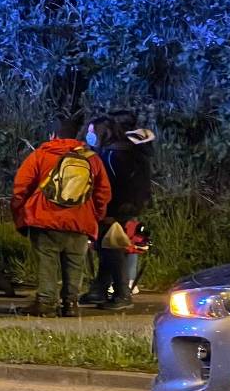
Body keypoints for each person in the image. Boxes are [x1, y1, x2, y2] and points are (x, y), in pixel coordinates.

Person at [11, 117, 112, 317]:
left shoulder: (42, 154)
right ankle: (71, 304)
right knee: (75, 262)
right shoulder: (92, 158)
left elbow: (21, 187)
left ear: (52, 134)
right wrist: (95, 216)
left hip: (45, 218)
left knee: (47, 262)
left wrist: (20, 213)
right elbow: (103, 192)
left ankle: (46, 303)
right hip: (80, 220)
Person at [81, 111, 155, 310]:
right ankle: (100, 289)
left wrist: (108, 211)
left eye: (92, 131)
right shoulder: (127, 150)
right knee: (107, 247)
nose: (90, 135)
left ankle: (122, 293)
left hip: (116, 208)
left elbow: (114, 186)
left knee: (112, 249)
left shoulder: (115, 155)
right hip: (127, 206)